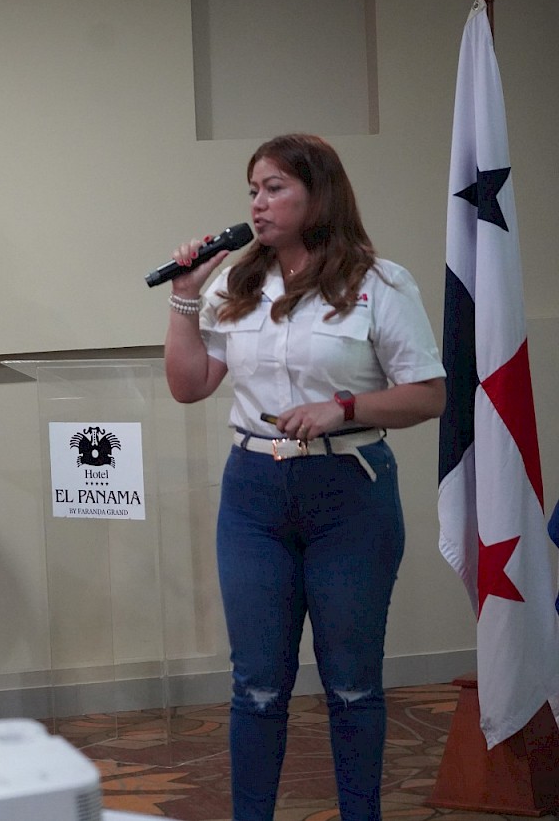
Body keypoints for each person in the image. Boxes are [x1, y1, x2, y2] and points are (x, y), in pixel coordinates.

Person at [161, 133, 446, 821]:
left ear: (319, 195)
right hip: (254, 494)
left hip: (348, 491)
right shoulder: (237, 282)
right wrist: (184, 298)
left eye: (274, 188)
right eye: (252, 191)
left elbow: (429, 395)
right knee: (257, 686)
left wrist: (343, 408)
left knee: (351, 685)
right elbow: (190, 385)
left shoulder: (380, 284)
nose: (257, 204)